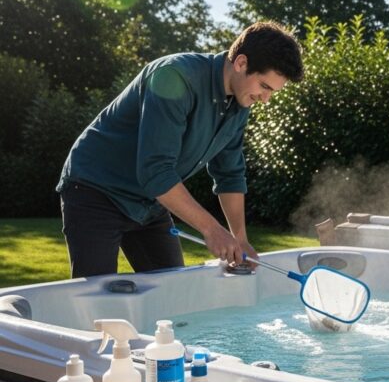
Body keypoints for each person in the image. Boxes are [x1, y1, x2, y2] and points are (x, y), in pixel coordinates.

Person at [57, 21, 304, 278]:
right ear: (241, 63)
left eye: (272, 92)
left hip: (150, 202)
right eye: (264, 87)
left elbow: (229, 173)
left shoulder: (240, 104)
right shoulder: (174, 77)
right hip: (96, 190)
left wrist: (239, 238)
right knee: (94, 297)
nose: (265, 99)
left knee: (174, 293)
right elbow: (155, 171)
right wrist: (211, 229)